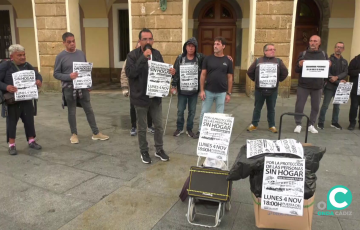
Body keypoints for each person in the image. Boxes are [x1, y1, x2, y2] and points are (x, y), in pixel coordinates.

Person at [125, 28, 176, 164]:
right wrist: (143, 57)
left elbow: (162, 71)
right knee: (142, 127)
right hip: (140, 97)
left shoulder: (157, 54)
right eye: (145, 39)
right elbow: (130, 73)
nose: (148, 41)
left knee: (158, 125)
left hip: (155, 97)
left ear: (153, 40)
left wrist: (170, 72)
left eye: (150, 39)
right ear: (140, 41)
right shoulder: (132, 56)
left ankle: (159, 149)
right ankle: (144, 151)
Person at [53, 32, 109, 144]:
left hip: (83, 87)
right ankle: (74, 134)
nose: (72, 44)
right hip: (69, 88)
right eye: (69, 42)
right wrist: (69, 76)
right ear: (64, 43)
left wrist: (89, 84)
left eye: (73, 41)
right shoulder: (60, 57)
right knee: (72, 111)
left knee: (89, 109)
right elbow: (56, 74)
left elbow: (86, 70)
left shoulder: (81, 54)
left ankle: (96, 132)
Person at [0, 44, 42, 155]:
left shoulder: (28, 65)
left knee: (29, 121)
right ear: (12, 56)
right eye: (19, 55)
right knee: (11, 123)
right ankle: (12, 145)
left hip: (27, 99)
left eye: (24, 54)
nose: (23, 57)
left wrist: (38, 81)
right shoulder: (5, 66)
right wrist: (7, 87)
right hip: (12, 101)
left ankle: (31, 141)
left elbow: (38, 75)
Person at [196, 37, 234, 138]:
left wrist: (229, 93)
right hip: (208, 91)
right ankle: (201, 131)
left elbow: (230, 77)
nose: (215, 46)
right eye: (214, 44)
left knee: (219, 113)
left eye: (218, 44)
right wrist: (202, 90)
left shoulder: (228, 60)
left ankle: (217, 133)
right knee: (204, 112)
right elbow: (203, 75)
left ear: (223, 46)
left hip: (221, 92)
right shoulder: (207, 59)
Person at [246, 43, 288, 133]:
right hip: (259, 90)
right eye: (271, 49)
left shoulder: (278, 61)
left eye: (274, 49)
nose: (273, 51)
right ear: (265, 51)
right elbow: (250, 72)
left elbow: (285, 73)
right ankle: (254, 124)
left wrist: (277, 80)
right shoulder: (258, 61)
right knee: (257, 108)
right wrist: (256, 80)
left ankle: (272, 125)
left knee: (271, 108)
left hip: (272, 90)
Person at [293, 35, 330, 134]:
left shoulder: (323, 54)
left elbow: (326, 70)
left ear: (319, 43)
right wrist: (299, 64)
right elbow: (296, 69)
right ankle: (298, 124)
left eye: (315, 41)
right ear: (309, 42)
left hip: (317, 86)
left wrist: (329, 65)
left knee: (316, 107)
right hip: (303, 85)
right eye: (311, 41)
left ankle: (311, 124)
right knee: (299, 106)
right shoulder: (303, 54)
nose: (312, 43)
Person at [170, 37, 204, 138]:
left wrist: (224, 57)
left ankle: (189, 129)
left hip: (193, 91)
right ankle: (179, 128)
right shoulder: (180, 58)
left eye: (193, 46)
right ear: (185, 47)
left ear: (195, 48)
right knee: (180, 110)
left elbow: (210, 61)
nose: (190, 48)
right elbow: (175, 72)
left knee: (192, 112)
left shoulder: (200, 58)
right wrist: (174, 86)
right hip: (182, 91)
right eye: (189, 46)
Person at [121, 41, 155, 136]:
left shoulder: (151, 58)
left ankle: (149, 125)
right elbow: (124, 73)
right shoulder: (131, 58)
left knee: (149, 107)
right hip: (134, 89)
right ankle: (133, 126)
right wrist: (125, 87)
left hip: (147, 89)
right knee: (133, 108)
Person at [317, 42, 348, 130]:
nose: (339, 49)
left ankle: (334, 122)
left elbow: (345, 72)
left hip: (339, 87)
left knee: (337, 106)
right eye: (337, 47)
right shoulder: (329, 60)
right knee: (325, 105)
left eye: (341, 47)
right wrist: (333, 78)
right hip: (329, 86)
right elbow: (326, 72)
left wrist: (337, 78)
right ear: (334, 48)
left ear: (343, 49)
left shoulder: (344, 61)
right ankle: (320, 122)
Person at [348, 54, 360, 130]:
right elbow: (349, 72)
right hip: (355, 88)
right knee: (354, 106)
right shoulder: (355, 60)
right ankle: (352, 123)